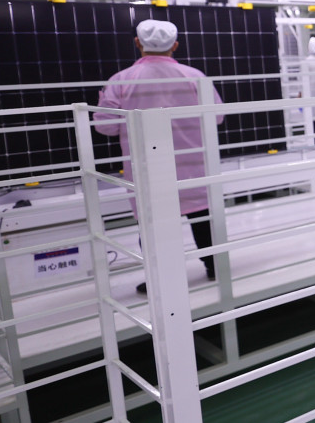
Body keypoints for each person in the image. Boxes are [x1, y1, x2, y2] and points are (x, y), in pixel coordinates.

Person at [92, 19, 224, 294]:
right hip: (193, 164)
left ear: (137, 43)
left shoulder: (121, 80)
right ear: (175, 46)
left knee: (154, 225)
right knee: (202, 216)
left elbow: (106, 127)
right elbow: (218, 116)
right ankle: (215, 267)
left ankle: (162, 279)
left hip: (147, 168)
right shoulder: (195, 76)